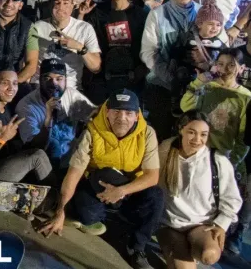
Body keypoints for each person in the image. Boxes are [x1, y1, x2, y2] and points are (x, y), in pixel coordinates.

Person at [39, 90, 164, 269]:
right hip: (99, 187)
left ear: (137, 116)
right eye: (116, 111)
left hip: (128, 190)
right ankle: (99, 214)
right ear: (107, 112)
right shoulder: (92, 131)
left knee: (156, 196)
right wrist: (60, 212)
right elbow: (74, 172)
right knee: (89, 213)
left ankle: (137, 248)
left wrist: (121, 191)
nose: (122, 118)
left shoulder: (147, 133)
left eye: (128, 113)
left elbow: (152, 176)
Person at [157, 111, 242, 269]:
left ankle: (192, 248)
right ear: (181, 129)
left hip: (201, 225)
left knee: (209, 255)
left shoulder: (217, 160)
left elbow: (232, 199)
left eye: (203, 134)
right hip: (170, 223)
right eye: (191, 132)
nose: (197, 139)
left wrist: (221, 225)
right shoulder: (166, 149)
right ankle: (177, 251)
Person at [0, 68, 55, 185]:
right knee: (38, 157)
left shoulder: (8, 111)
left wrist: (48, 119)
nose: (11, 88)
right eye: (5, 83)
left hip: (2, 165)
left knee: (40, 153)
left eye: (15, 83)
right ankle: (57, 196)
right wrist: (2, 139)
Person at [141, 0, 201, 133]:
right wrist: (169, 76)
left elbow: (220, 45)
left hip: (197, 86)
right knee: (163, 133)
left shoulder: (205, 13)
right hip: (162, 84)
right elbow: (148, 52)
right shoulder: (157, 14)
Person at [78, 0, 149, 102]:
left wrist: (141, 71)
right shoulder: (97, 13)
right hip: (103, 75)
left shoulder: (142, 14)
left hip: (134, 75)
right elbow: (81, 37)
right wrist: (81, 15)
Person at [16, 59, 95, 168]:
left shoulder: (72, 95)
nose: (53, 84)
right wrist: (48, 118)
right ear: (40, 80)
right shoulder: (26, 105)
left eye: (59, 79)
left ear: (65, 80)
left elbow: (96, 115)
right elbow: (34, 147)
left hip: (72, 162)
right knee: (53, 144)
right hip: (41, 165)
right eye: (47, 78)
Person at [180, 49, 251, 168]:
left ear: (241, 68)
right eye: (220, 64)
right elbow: (186, 107)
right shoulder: (206, 86)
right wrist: (197, 83)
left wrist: (233, 161)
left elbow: (244, 136)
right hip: (196, 150)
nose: (225, 69)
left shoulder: (246, 97)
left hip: (222, 155)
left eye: (231, 65)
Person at [25, 0, 101, 93]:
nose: (61, 7)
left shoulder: (85, 28)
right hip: (39, 88)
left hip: (70, 90)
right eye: (57, 2)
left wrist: (79, 47)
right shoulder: (37, 27)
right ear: (50, 5)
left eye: (66, 3)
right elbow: (26, 62)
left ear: (72, 6)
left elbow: (96, 68)